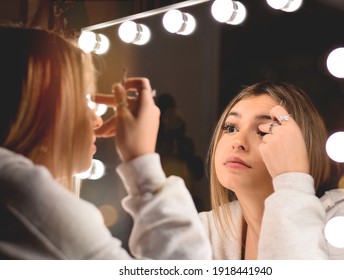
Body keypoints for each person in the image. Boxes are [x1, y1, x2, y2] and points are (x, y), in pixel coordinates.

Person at [0, 25, 211, 259]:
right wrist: (142, 163)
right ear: (36, 107)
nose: (97, 119)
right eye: (80, 99)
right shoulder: (24, 198)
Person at [199, 81, 344, 259]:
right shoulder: (207, 231)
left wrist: (292, 181)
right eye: (231, 128)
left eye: (263, 131)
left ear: (300, 147)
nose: (238, 141)